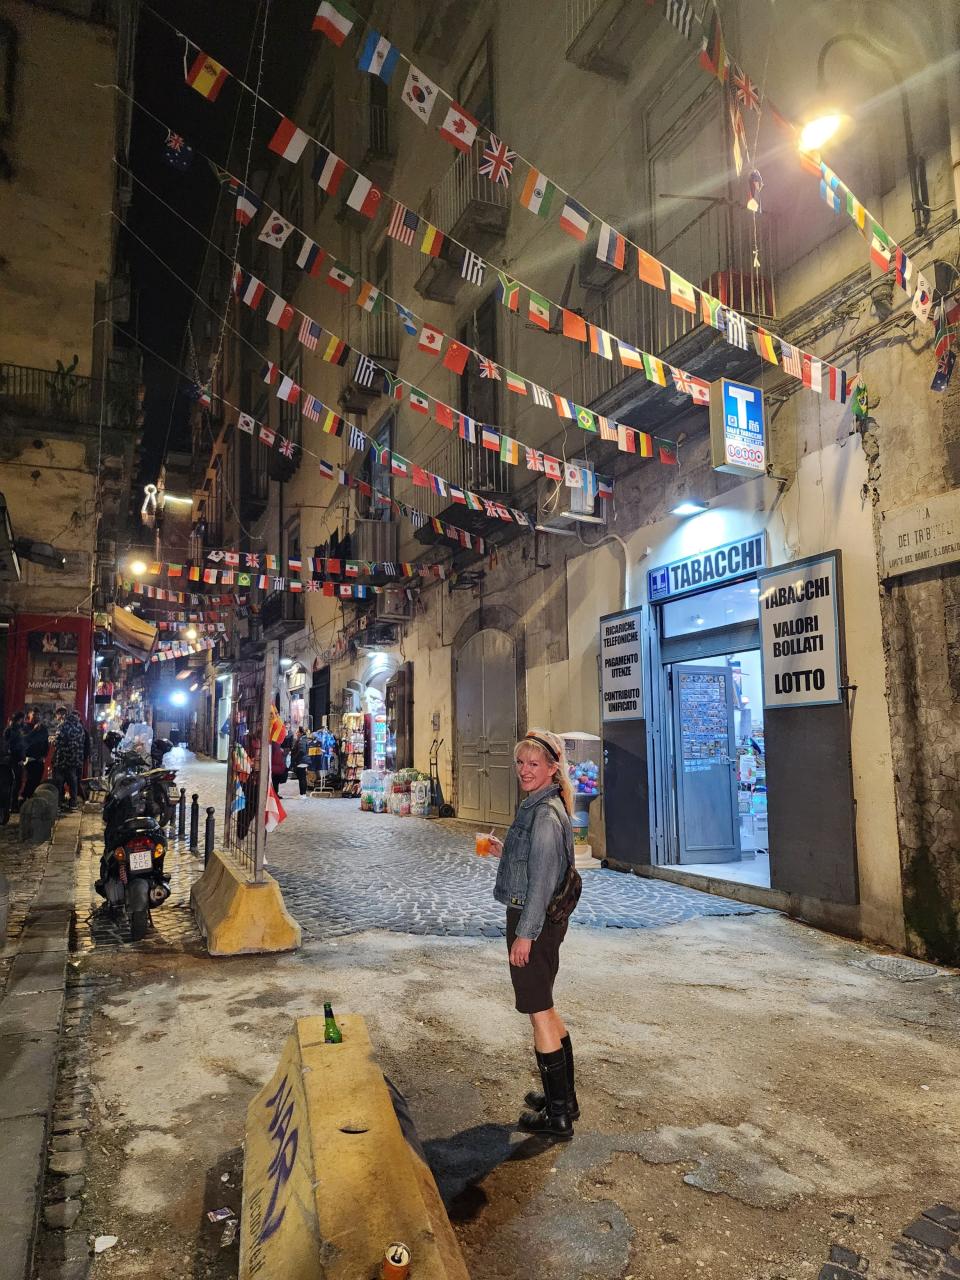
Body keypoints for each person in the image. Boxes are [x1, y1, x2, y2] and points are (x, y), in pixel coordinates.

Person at [490, 729, 578, 1141]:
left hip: (534, 922)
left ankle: (557, 1117)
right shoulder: (544, 805)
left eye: (534, 764)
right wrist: (501, 851)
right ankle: (564, 1098)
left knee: (538, 1010)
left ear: (552, 769)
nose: (524, 771)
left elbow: (542, 882)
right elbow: (534, 863)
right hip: (542, 922)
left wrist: (524, 936)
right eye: (521, 763)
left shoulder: (544, 816)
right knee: (546, 1004)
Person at [53, 707, 85, 810]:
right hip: (75, 758)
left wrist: (52, 741)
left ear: (62, 715)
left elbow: (58, 742)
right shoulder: (79, 726)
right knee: (73, 780)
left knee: (59, 780)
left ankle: (58, 803)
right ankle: (73, 803)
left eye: (57, 715)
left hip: (63, 758)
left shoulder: (63, 726)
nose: (57, 718)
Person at [21, 709, 50, 800]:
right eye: (34, 715)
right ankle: (25, 796)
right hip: (29, 758)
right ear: (29, 715)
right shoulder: (25, 727)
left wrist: (44, 755)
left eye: (38, 715)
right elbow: (25, 740)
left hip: (39, 758)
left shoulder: (43, 728)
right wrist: (34, 730)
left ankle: (32, 796)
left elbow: (46, 743)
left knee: (38, 778)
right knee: (30, 778)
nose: (36, 717)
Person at [2, 711, 26, 817]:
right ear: (20, 719)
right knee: (16, 782)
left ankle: (11, 805)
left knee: (12, 782)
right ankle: (13, 805)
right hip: (15, 760)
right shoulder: (16, 730)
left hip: (9, 759)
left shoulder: (9, 729)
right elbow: (18, 746)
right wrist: (21, 758)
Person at [291, 727, 310, 796]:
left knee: (302, 777)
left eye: (297, 732)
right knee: (302, 777)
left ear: (301, 733)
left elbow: (301, 751)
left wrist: (295, 757)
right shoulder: (303, 739)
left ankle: (302, 794)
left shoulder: (302, 740)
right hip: (303, 760)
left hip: (301, 760)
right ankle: (302, 794)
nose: (296, 734)